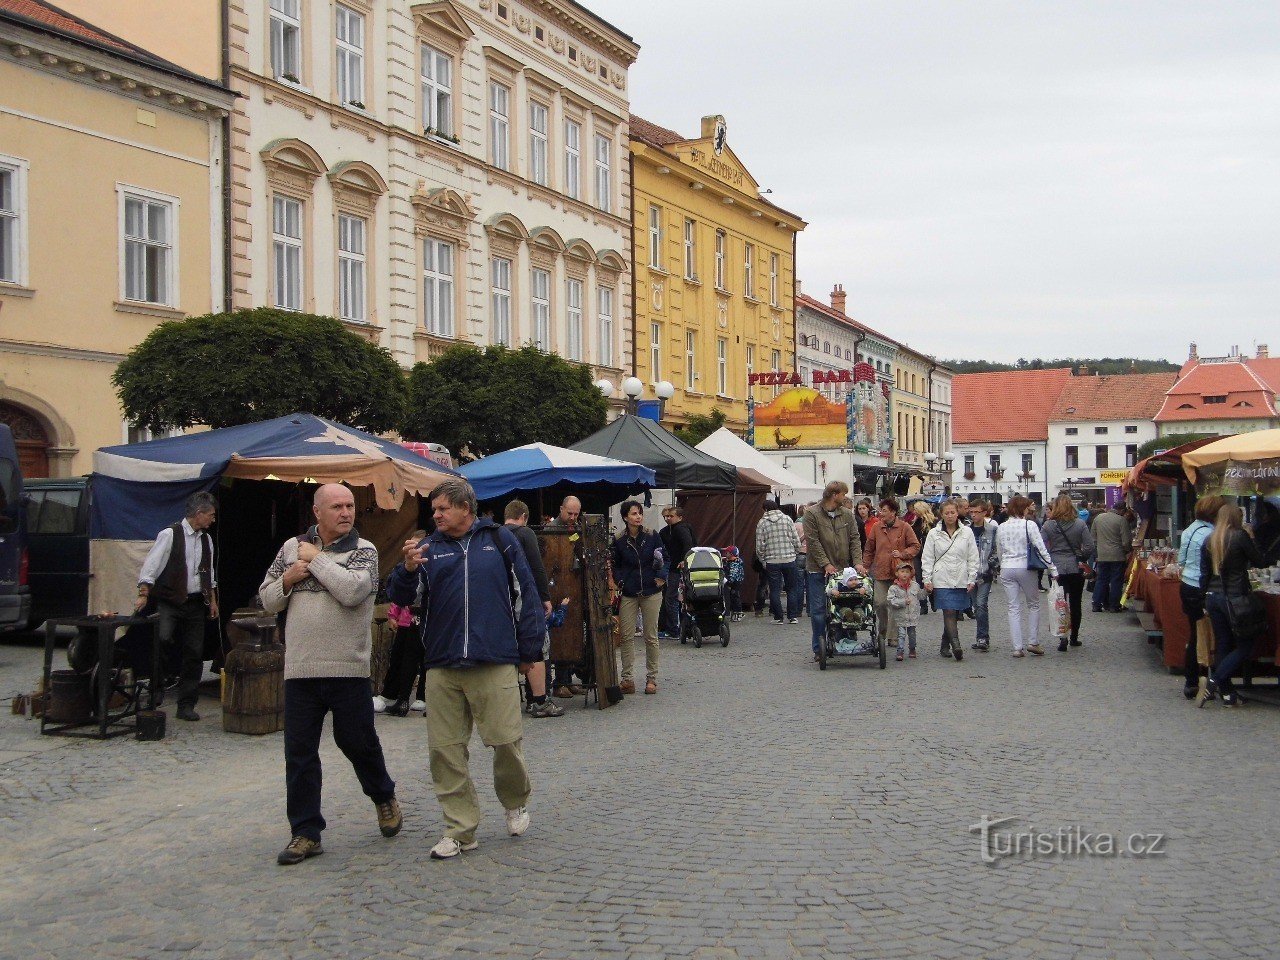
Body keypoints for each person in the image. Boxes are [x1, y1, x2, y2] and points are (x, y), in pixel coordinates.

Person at [387, 478, 545, 859]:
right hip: (442, 663)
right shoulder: (427, 549)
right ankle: (460, 829)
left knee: (505, 741)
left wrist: (530, 651)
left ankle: (515, 799)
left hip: (494, 657)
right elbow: (399, 598)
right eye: (435, 509)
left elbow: (527, 594)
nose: (436, 515)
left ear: (465, 508)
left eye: (442, 508)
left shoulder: (500, 541)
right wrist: (407, 570)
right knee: (445, 750)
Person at [260, 484, 400, 866]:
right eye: (337, 506)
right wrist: (288, 579)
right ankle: (305, 832)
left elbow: (354, 592)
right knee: (300, 753)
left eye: (350, 505)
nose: (346, 512)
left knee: (357, 741)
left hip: (347, 667)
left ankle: (383, 794)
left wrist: (318, 560)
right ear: (317, 512)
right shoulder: (291, 548)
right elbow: (268, 597)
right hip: (301, 668)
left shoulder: (365, 551)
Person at [134, 491, 219, 722]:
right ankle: (157, 688)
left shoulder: (206, 539)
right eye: (210, 515)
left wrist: (212, 600)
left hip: (194, 603)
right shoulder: (170, 534)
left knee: (194, 652)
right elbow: (151, 566)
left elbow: (208, 573)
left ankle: (186, 704)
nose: (213, 519)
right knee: (162, 641)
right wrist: (143, 593)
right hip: (171, 601)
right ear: (199, 514)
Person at [1198, 503, 1265, 708]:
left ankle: (1227, 694)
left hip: (1213, 596)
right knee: (1245, 646)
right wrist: (1252, 538)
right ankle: (1214, 681)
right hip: (1235, 598)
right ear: (1236, 518)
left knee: (1224, 644)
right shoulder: (1239, 536)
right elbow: (1259, 561)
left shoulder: (1210, 539)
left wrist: (1204, 600)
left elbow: (1204, 574)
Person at [504, 500, 563, 719]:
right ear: (524, 516)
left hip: (503, 603)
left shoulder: (495, 535)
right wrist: (545, 598)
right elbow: (536, 566)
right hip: (526, 599)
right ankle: (538, 700)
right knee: (537, 644)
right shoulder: (525, 533)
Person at [609, 500, 668, 695]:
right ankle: (628, 679)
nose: (638, 517)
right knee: (626, 637)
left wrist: (661, 576)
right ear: (625, 517)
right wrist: (619, 580)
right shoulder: (618, 539)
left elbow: (665, 558)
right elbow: (614, 563)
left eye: (640, 513)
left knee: (650, 636)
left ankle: (652, 678)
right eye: (634, 514)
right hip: (629, 592)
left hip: (651, 591)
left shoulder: (652, 536)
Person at [802, 482, 863, 662]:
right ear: (835, 495)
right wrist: (825, 564)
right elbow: (813, 543)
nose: (845, 497)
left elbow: (854, 539)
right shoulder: (811, 514)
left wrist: (858, 562)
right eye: (844, 493)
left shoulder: (846, 514)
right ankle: (818, 647)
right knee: (819, 610)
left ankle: (844, 641)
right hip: (817, 571)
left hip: (843, 570)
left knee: (846, 604)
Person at [995, 494, 1058, 657]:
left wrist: (1002, 566)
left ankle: (1017, 647)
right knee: (1033, 604)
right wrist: (1052, 568)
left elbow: (999, 550)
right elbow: (1040, 547)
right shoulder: (1029, 525)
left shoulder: (1001, 527)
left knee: (1013, 607)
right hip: (1025, 567)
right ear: (1023, 509)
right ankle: (1033, 641)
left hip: (1007, 568)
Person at [1177, 495, 1224, 699]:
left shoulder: (1190, 529)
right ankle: (1208, 681)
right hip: (1200, 587)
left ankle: (1191, 681)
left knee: (1195, 633)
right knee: (1211, 635)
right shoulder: (1211, 534)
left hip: (1187, 584)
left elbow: (1181, 558)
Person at [376, 529, 427, 717]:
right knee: (403, 659)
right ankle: (401, 698)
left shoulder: (428, 567)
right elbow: (398, 596)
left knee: (424, 660)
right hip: (408, 621)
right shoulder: (406, 568)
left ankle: (419, 697)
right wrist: (392, 615)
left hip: (423, 620)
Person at [856, 497, 920, 647]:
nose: (880, 513)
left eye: (884, 510)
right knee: (880, 603)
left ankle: (891, 636)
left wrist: (903, 554)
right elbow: (869, 549)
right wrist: (865, 566)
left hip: (900, 573)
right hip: (880, 571)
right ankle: (883, 629)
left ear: (893, 512)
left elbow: (915, 546)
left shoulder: (904, 527)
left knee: (894, 604)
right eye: (880, 510)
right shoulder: (877, 528)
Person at [920, 500, 978, 661]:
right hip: (942, 578)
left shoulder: (967, 532)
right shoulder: (934, 533)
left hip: (961, 576)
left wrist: (972, 577)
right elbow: (927, 557)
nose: (950, 515)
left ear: (957, 513)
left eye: (953, 512)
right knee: (949, 611)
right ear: (941, 514)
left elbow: (973, 556)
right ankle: (956, 644)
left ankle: (944, 644)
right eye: (947, 513)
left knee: (954, 610)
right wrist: (927, 578)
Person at [1041, 495, 1095, 651]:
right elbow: (1090, 546)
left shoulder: (1048, 525)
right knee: (1076, 602)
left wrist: (1049, 558)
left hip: (1056, 569)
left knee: (1059, 602)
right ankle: (1074, 637)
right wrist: (1081, 556)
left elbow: (1040, 545)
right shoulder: (1080, 524)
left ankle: (1062, 637)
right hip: (1074, 568)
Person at [545, 496, 586, 698]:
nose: (572, 517)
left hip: (572, 587)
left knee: (572, 633)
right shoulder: (551, 530)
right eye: (569, 513)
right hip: (556, 587)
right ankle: (559, 681)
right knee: (560, 636)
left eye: (576, 514)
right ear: (561, 509)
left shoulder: (575, 529)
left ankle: (568, 679)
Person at [756, 499, 803, 624]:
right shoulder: (787, 519)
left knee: (775, 590)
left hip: (772, 560)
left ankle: (778, 617)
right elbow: (795, 539)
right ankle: (792, 616)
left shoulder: (762, 522)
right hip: (789, 558)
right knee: (792, 588)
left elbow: (759, 545)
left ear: (765, 509)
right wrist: (795, 552)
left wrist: (762, 559)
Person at [658, 506, 696, 637]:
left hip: (677, 569)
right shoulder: (669, 530)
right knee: (676, 598)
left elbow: (688, 544)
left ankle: (673, 629)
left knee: (671, 598)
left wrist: (683, 560)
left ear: (679, 517)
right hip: (676, 567)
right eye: (666, 516)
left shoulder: (680, 528)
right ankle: (676, 628)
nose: (667, 519)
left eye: (670, 516)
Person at [968, 500, 999, 651]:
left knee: (981, 604)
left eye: (977, 512)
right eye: (971, 512)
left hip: (985, 573)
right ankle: (981, 636)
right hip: (970, 574)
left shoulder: (992, 529)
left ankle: (983, 638)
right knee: (976, 606)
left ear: (984, 513)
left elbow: (996, 550)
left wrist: (991, 566)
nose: (974, 515)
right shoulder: (966, 530)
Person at [1091, 502, 1132, 612]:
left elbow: (1093, 537)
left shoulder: (1098, 518)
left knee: (1101, 579)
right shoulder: (1121, 520)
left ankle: (1096, 604)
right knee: (1116, 581)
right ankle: (1114, 605)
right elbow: (1126, 541)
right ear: (1122, 510)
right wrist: (1127, 551)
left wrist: (1097, 551)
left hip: (1102, 555)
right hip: (1117, 556)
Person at [887, 562, 921, 661]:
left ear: (910, 574)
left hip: (912, 616)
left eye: (907, 572)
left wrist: (927, 591)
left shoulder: (915, 586)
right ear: (897, 573)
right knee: (901, 635)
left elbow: (921, 596)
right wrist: (902, 602)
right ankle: (900, 650)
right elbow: (890, 601)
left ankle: (912, 649)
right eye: (902, 571)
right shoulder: (893, 588)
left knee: (912, 635)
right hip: (900, 616)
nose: (905, 574)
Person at [909, 502, 935, 614]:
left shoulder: (932, 522)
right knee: (919, 580)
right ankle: (923, 604)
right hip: (917, 554)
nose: (914, 512)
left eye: (916, 509)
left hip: (929, 554)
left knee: (931, 578)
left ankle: (933, 598)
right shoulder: (915, 522)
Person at [724, 546, 745, 621]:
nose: (725, 554)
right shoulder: (728, 561)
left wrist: (729, 581)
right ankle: (734, 612)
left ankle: (739, 612)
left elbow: (733, 573)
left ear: (732, 554)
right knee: (732, 597)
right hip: (731, 582)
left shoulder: (735, 562)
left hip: (735, 582)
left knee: (735, 597)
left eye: (727, 553)